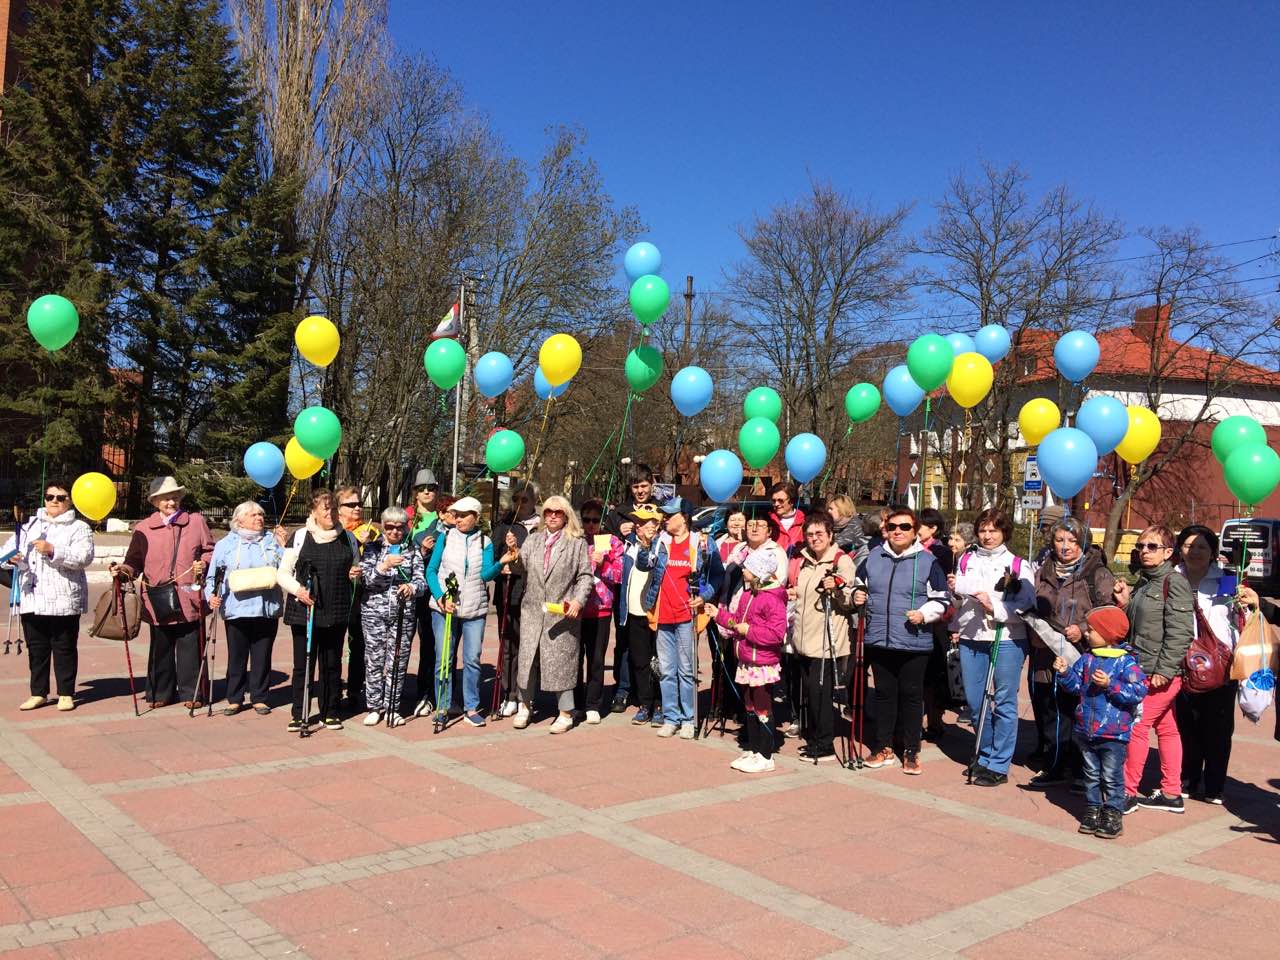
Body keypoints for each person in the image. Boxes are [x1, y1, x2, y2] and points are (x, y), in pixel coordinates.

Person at [854, 506, 950, 774]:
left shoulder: (927, 561)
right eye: (893, 527)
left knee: (911, 696)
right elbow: (858, 583)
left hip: (913, 640)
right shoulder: (874, 557)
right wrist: (856, 596)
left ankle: (911, 749)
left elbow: (942, 598)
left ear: (914, 530)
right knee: (884, 695)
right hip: (879, 638)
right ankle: (883, 747)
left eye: (905, 527)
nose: (898, 531)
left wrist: (924, 614)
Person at [1027, 515, 1115, 787]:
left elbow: (1107, 611)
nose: (1065, 546)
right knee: (1048, 707)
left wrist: (1082, 627)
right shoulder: (1044, 569)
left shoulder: (1096, 572)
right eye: (1059, 540)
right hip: (1045, 651)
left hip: (1082, 653)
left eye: (1072, 541)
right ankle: (1054, 763)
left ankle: (1079, 769)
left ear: (1083, 543)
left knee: (1077, 708)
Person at [1112, 525, 1195, 814]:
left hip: (1158, 672)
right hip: (1143, 666)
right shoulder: (1146, 582)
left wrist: (1166, 669)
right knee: (1167, 727)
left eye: (1152, 546)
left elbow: (1181, 632)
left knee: (1137, 726)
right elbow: (1139, 627)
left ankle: (1127, 792)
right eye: (1141, 546)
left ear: (1168, 552)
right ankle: (1171, 792)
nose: (1144, 551)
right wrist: (1125, 602)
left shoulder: (1174, 582)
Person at [951, 507, 1036, 786]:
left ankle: (999, 763)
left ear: (1004, 532)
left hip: (1007, 639)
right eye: (983, 530)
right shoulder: (965, 560)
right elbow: (956, 603)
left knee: (1004, 702)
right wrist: (955, 594)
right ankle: (983, 753)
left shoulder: (1018, 565)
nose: (987, 536)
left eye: (993, 530)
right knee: (976, 702)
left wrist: (994, 606)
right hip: (971, 637)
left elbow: (1025, 605)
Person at [112, 477, 214, 709]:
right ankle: (160, 692)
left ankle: (193, 693)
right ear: (155, 501)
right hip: (157, 596)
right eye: (166, 498)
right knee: (161, 646)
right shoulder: (143, 528)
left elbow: (210, 550)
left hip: (190, 594)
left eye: (175, 497)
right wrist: (123, 571)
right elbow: (133, 562)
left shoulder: (196, 522)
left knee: (191, 645)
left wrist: (204, 564)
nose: (172, 501)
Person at [1053, 605, 1148, 839]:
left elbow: (1138, 691)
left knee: (1112, 775)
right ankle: (1093, 809)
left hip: (1113, 733)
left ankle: (1113, 813)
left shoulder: (1127, 663)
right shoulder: (1087, 659)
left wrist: (1111, 685)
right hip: (1086, 730)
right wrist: (1065, 673)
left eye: (1092, 630)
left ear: (1108, 634)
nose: (1086, 633)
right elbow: (1076, 686)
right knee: (1091, 774)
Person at [1174, 525, 1252, 805]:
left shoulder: (1225, 580)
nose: (1195, 552)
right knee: (1186, 724)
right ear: (1179, 548)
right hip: (1182, 661)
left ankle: (1214, 785)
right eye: (1189, 545)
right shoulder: (1172, 578)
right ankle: (1189, 777)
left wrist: (1246, 598)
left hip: (1221, 665)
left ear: (1213, 553)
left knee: (1218, 728)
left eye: (1202, 547)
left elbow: (1242, 613)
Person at [3, 480, 93, 711]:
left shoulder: (79, 527)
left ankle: (65, 693)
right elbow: (6, 550)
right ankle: (38, 693)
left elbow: (84, 557)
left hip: (63, 597)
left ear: (69, 501)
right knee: (37, 647)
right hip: (32, 596)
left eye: (60, 498)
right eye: (50, 497)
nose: (54, 501)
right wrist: (12, 558)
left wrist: (53, 550)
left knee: (63, 646)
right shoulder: (30, 524)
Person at [639, 497, 725, 739]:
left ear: (684, 518)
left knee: (686, 671)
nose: (665, 519)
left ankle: (688, 719)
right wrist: (645, 546)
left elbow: (717, 576)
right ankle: (671, 717)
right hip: (662, 613)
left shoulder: (702, 543)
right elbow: (643, 566)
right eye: (665, 515)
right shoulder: (660, 541)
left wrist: (704, 596)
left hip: (687, 615)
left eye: (670, 515)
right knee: (666, 670)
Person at [277, 490, 360, 731]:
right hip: (305, 610)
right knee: (303, 664)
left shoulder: (348, 538)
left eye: (334, 509)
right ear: (313, 511)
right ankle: (299, 713)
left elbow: (354, 568)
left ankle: (330, 711)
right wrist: (298, 590)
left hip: (336, 608)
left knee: (332, 663)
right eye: (326, 510)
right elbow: (282, 573)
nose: (331, 514)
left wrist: (354, 574)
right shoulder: (301, 537)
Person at [514, 496, 593, 733]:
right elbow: (520, 568)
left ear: (566, 516)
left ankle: (566, 713)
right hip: (532, 611)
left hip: (562, 614)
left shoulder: (576, 543)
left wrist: (578, 601)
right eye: (548, 512)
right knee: (527, 660)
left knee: (562, 663)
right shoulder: (533, 539)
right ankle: (524, 706)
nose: (553, 516)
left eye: (558, 512)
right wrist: (513, 553)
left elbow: (585, 576)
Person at [706, 549, 787, 773]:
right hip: (746, 659)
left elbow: (776, 635)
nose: (743, 570)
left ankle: (766, 755)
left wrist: (749, 630)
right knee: (749, 706)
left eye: (748, 568)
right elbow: (735, 622)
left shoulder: (773, 599)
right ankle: (753, 749)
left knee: (762, 706)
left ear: (759, 572)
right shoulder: (746, 594)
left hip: (762, 662)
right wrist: (718, 615)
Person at [426, 496, 502, 726]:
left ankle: (471, 706)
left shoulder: (484, 542)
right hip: (444, 609)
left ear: (476, 517)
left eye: (463, 515)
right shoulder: (445, 537)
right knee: (444, 659)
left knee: (472, 659)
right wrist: (440, 598)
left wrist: (501, 563)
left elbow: (485, 574)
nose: (457, 519)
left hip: (474, 609)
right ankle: (443, 705)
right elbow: (431, 570)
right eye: (455, 515)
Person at [205, 502, 284, 716]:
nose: (259, 517)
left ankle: (260, 697)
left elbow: (285, 568)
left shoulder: (272, 541)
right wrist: (211, 596)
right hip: (236, 608)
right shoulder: (226, 544)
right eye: (253, 514)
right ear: (239, 519)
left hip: (265, 607)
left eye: (261, 514)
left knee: (262, 655)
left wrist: (284, 546)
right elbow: (214, 575)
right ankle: (235, 698)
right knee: (237, 656)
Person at [790, 516, 858, 763]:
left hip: (826, 641)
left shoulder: (842, 561)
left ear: (830, 535)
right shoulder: (805, 561)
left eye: (820, 533)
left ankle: (825, 743)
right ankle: (816, 736)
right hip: (804, 639)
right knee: (811, 692)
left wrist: (837, 587)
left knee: (820, 692)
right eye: (810, 534)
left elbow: (850, 601)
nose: (814, 538)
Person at [359, 506, 427, 726]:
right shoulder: (372, 548)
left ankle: (392, 707)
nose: (395, 532)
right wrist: (384, 565)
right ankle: (374, 706)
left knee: (397, 660)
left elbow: (421, 581)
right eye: (390, 527)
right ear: (383, 526)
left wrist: (412, 588)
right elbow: (366, 581)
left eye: (400, 527)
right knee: (374, 660)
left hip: (402, 614)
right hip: (374, 614)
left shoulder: (412, 550)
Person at [578, 499, 623, 723]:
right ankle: (576, 702)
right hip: (576, 609)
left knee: (596, 659)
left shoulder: (611, 542)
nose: (590, 525)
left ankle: (593, 704)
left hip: (601, 609)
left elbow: (619, 574)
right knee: (575, 658)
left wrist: (604, 563)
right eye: (586, 520)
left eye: (595, 520)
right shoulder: (575, 541)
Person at [336, 486, 377, 712]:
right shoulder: (333, 531)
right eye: (351, 504)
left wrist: (367, 544)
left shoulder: (371, 531)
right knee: (332, 645)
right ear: (338, 509)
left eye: (359, 503)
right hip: (336, 595)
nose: (357, 508)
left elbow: (378, 561)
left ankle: (354, 690)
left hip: (360, 596)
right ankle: (332, 688)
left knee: (357, 644)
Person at [917, 507, 954, 742]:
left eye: (918, 525)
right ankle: (917, 718)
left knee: (934, 671)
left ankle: (935, 718)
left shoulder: (941, 553)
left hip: (937, 619)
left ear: (932, 529)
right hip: (915, 616)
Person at [492, 521, 528, 718]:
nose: (520, 503)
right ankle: (508, 693)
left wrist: (519, 552)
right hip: (507, 594)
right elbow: (492, 561)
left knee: (525, 648)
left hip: (529, 596)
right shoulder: (503, 527)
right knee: (507, 647)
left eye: (525, 499)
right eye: (516, 499)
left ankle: (523, 695)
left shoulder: (538, 528)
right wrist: (501, 565)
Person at [606, 464, 658, 537]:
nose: (640, 491)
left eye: (644, 486)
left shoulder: (662, 509)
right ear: (630, 487)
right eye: (635, 487)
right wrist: (619, 531)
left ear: (651, 485)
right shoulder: (617, 513)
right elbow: (606, 539)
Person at [827, 495, 869, 563]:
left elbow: (863, 548)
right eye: (828, 508)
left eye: (831, 509)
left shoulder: (855, 525)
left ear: (841, 509)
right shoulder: (831, 526)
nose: (828, 511)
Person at [769, 482, 806, 555]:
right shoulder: (768, 521)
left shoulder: (805, 522)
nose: (776, 504)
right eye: (773, 501)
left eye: (780, 500)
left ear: (791, 501)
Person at [405, 469, 439, 539]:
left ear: (436, 492)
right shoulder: (407, 514)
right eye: (421, 488)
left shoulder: (443, 514)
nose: (426, 492)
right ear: (416, 494)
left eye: (430, 488)